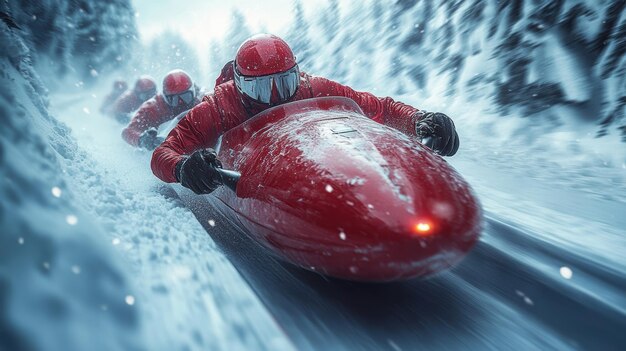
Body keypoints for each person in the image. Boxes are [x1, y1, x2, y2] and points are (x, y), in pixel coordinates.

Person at [151, 34, 459, 195]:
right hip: (250, 160)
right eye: (261, 89)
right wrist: (183, 168)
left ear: (296, 74)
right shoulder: (218, 106)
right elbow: (164, 152)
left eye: (284, 83)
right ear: (240, 85)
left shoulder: (313, 87)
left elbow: (377, 107)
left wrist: (419, 120)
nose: (274, 97)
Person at [122, 69, 201, 150]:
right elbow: (127, 131)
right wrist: (142, 139)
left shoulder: (201, 97)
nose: (181, 103)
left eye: (185, 97)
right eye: (174, 99)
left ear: (193, 91)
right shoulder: (152, 108)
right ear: (165, 97)